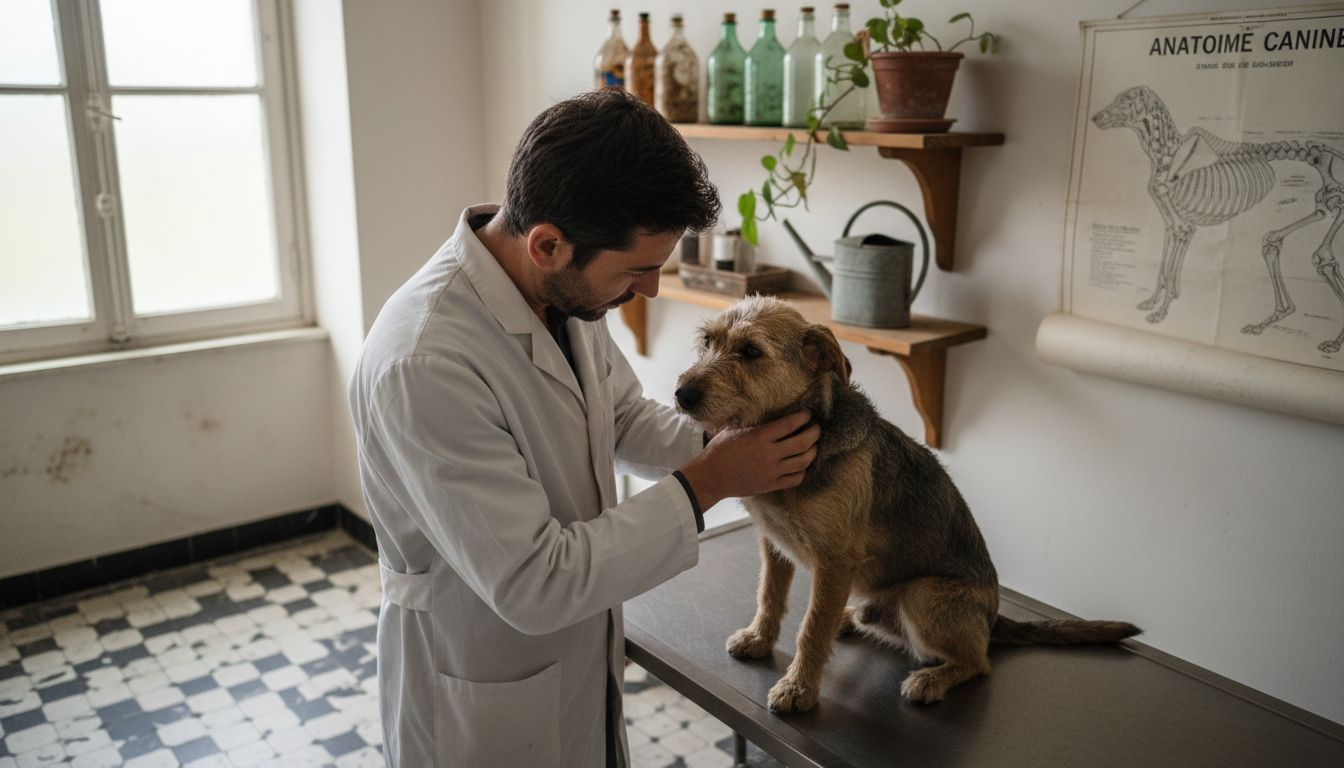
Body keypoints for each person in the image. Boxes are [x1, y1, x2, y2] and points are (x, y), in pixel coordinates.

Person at [348, 88, 821, 767]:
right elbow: (535, 581)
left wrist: (736, 445)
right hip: (478, 677)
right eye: (638, 270)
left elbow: (619, 415)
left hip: (575, 657)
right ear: (548, 244)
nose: (650, 289)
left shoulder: (559, 294)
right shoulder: (424, 362)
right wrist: (708, 483)